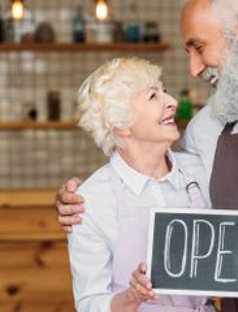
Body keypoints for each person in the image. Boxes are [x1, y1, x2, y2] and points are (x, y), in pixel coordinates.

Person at [56, 0, 238, 311]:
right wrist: (78, 200)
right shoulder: (204, 130)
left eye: (199, 47)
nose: (193, 69)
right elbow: (151, 173)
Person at [64, 57, 216, 312]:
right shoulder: (91, 201)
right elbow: (89, 303)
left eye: (164, 91)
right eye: (153, 96)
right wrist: (132, 297)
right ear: (121, 125)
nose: (172, 102)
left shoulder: (200, 171)